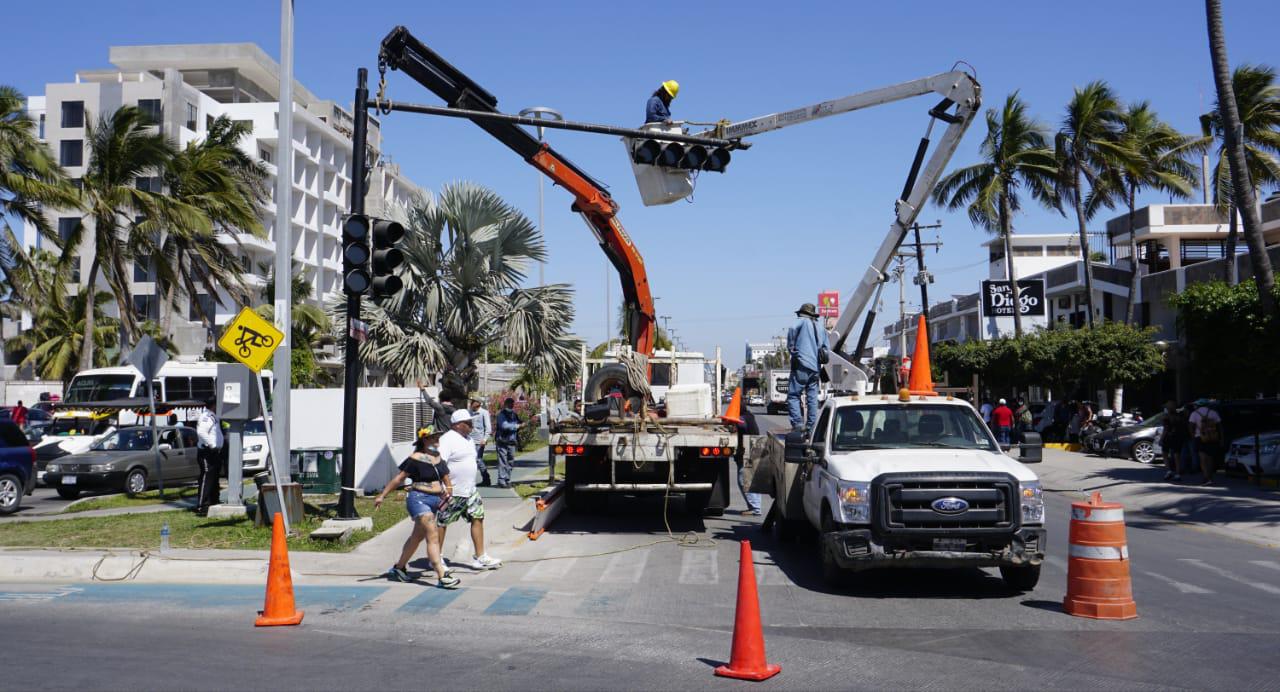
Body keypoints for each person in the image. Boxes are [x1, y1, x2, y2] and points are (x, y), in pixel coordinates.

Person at [375, 434, 460, 588]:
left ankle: (399, 568)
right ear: (425, 440)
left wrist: (449, 493)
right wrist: (382, 495)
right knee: (433, 535)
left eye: (438, 437)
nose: (437, 440)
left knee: (416, 537)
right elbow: (399, 478)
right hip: (419, 500)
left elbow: (446, 478)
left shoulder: (438, 457)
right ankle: (442, 575)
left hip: (436, 500)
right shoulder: (416, 458)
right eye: (434, 438)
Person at [436, 409, 502, 570]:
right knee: (442, 522)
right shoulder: (447, 440)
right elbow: (439, 464)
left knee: (478, 517)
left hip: (470, 490)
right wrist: (445, 487)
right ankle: (437, 558)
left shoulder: (469, 439)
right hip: (452, 491)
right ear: (458, 424)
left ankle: (480, 557)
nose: (471, 425)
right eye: (468, 423)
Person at [786, 302, 829, 434]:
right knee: (812, 397)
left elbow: (792, 328)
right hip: (815, 368)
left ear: (803, 313)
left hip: (801, 364)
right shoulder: (821, 328)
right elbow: (826, 349)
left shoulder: (802, 321)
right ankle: (811, 427)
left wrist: (791, 348)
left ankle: (798, 424)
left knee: (793, 395)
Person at [194, 398, 223, 515]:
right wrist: (212, 445)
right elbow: (201, 432)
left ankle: (213, 501)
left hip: (214, 453)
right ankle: (202, 505)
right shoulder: (206, 416)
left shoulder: (213, 416)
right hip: (207, 451)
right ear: (214, 404)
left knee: (214, 478)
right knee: (206, 478)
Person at [1189, 399, 1222, 486]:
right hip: (1212, 437)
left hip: (1200, 437)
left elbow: (1191, 427)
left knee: (1202, 458)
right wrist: (1220, 438)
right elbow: (1219, 426)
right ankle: (1210, 477)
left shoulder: (1194, 413)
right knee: (1210, 458)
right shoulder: (1214, 412)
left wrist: (1193, 437)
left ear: (1198, 405)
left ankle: (1206, 477)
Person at [494, 398, 521, 489]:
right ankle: (501, 481)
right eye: (509, 403)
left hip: (512, 441)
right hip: (502, 441)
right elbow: (504, 426)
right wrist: (517, 426)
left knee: (510, 461)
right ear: (505, 404)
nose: (511, 405)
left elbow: (519, 423)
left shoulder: (514, 414)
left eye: (512, 404)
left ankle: (507, 479)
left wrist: (522, 424)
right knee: (502, 461)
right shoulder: (501, 415)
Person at [1158, 401, 1185, 482]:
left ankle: (1169, 470)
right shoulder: (1180, 416)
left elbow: (1165, 429)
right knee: (1177, 455)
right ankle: (1178, 473)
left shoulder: (1166, 417)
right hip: (1178, 437)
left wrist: (1161, 439)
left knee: (1165, 454)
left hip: (1168, 437)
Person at [469, 398, 493, 487]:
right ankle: (469, 481)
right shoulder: (469, 412)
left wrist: (485, 439)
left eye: (473, 402)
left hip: (479, 441)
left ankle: (486, 479)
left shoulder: (484, 413)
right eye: (471, 402)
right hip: (469, 440)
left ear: (478, 403)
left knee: (478, 459)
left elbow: (488, 428)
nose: (471, 403)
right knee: (469, 461)